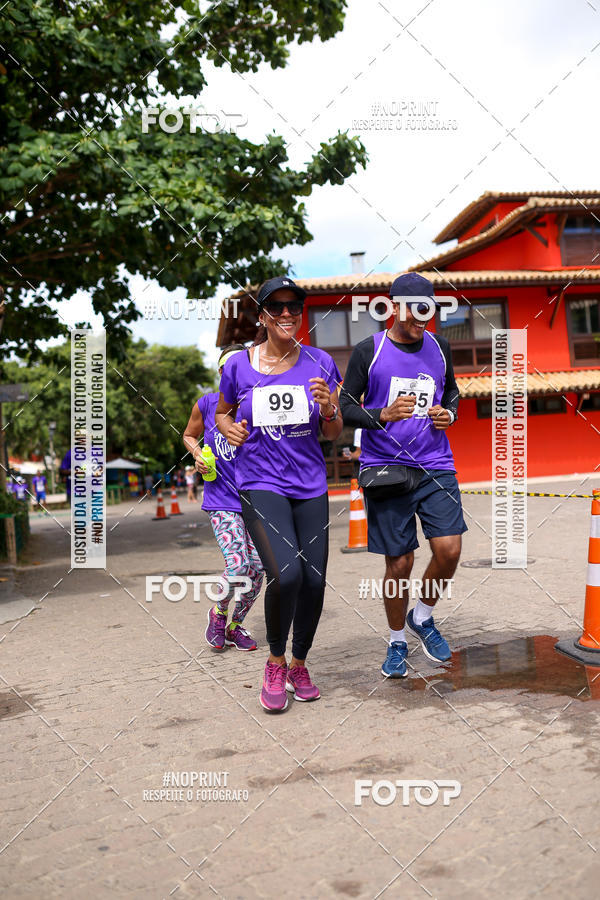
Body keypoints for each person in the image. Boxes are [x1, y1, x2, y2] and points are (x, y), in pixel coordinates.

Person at [216, 275, 342, 712]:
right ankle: (274, 661)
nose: (287, 313)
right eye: (277, 307)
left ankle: (299, 664)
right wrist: (227, 428)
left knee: (315, 580)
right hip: (259, 482)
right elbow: (221, 412)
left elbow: (333, 430)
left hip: (309, 485)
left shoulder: (321, 361)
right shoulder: (238, 365)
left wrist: (328, 408)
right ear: (263, 316)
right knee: (286, 575)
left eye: (294, 306)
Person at [340, 272, 466, 679]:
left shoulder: (440, 347)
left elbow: (452, 392)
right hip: (386, 469)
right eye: (414, 312)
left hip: (435, 465)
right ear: (394, 306)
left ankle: (423, 616)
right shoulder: (368, 351)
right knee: (400, 563)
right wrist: (381, 415)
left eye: (427, 313)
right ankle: (396, 640)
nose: (421, 321)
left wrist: (450, 413)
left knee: (448, 550)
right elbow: (344, 407)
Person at [183, 345, 264, 652]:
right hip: (221, 500)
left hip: (256, 501)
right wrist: (196, 456)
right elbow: (189, 435)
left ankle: (235, 625)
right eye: (228, 369)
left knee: (258, 568)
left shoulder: (256, 406)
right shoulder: (205, 405)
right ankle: (218, 614)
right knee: (239, 565)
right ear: (220, 373)